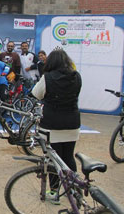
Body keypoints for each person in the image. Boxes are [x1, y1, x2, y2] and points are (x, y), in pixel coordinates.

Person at [31, 49, 81, 204]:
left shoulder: (48, 78)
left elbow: (36, 93)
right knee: (68, 156)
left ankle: (54, 192)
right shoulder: (76, 76)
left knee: (53, 159)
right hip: (73, 123)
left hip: (52, 124)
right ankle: (71, 188)